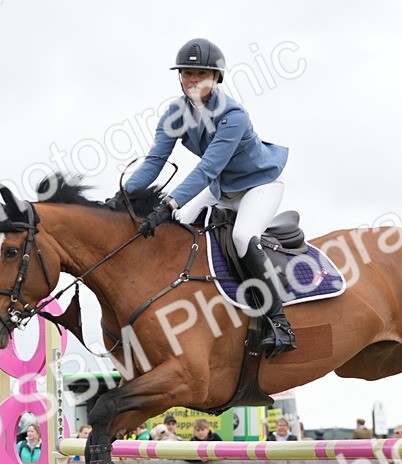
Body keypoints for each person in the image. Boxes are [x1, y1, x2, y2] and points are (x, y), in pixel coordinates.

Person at [109, 38, 295, 357]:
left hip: (259, 186)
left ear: (216, 77)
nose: (192, 80)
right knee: (175, 226)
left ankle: (279, 323)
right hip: (221, 188)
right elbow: (155, 161)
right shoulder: (175, 113)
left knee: (242, 236)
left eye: (200, 73)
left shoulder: (233, 115)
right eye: (186, 73)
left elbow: (208, 167)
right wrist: (123, 196)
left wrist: (168, 202)